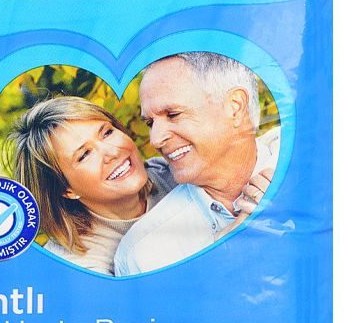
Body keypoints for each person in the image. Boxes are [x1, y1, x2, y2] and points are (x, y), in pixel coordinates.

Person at [113, 52, 280, 276]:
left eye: (173, 114)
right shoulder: (143, 254)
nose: (155, 139)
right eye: (150, 123)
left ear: (235, 106)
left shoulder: (312, 168)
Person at [1, 97, 176, 275]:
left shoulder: (173, 175)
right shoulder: (81, 270)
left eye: (107, 133)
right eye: (84, 155)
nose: (113, 152)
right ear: (66, 190)